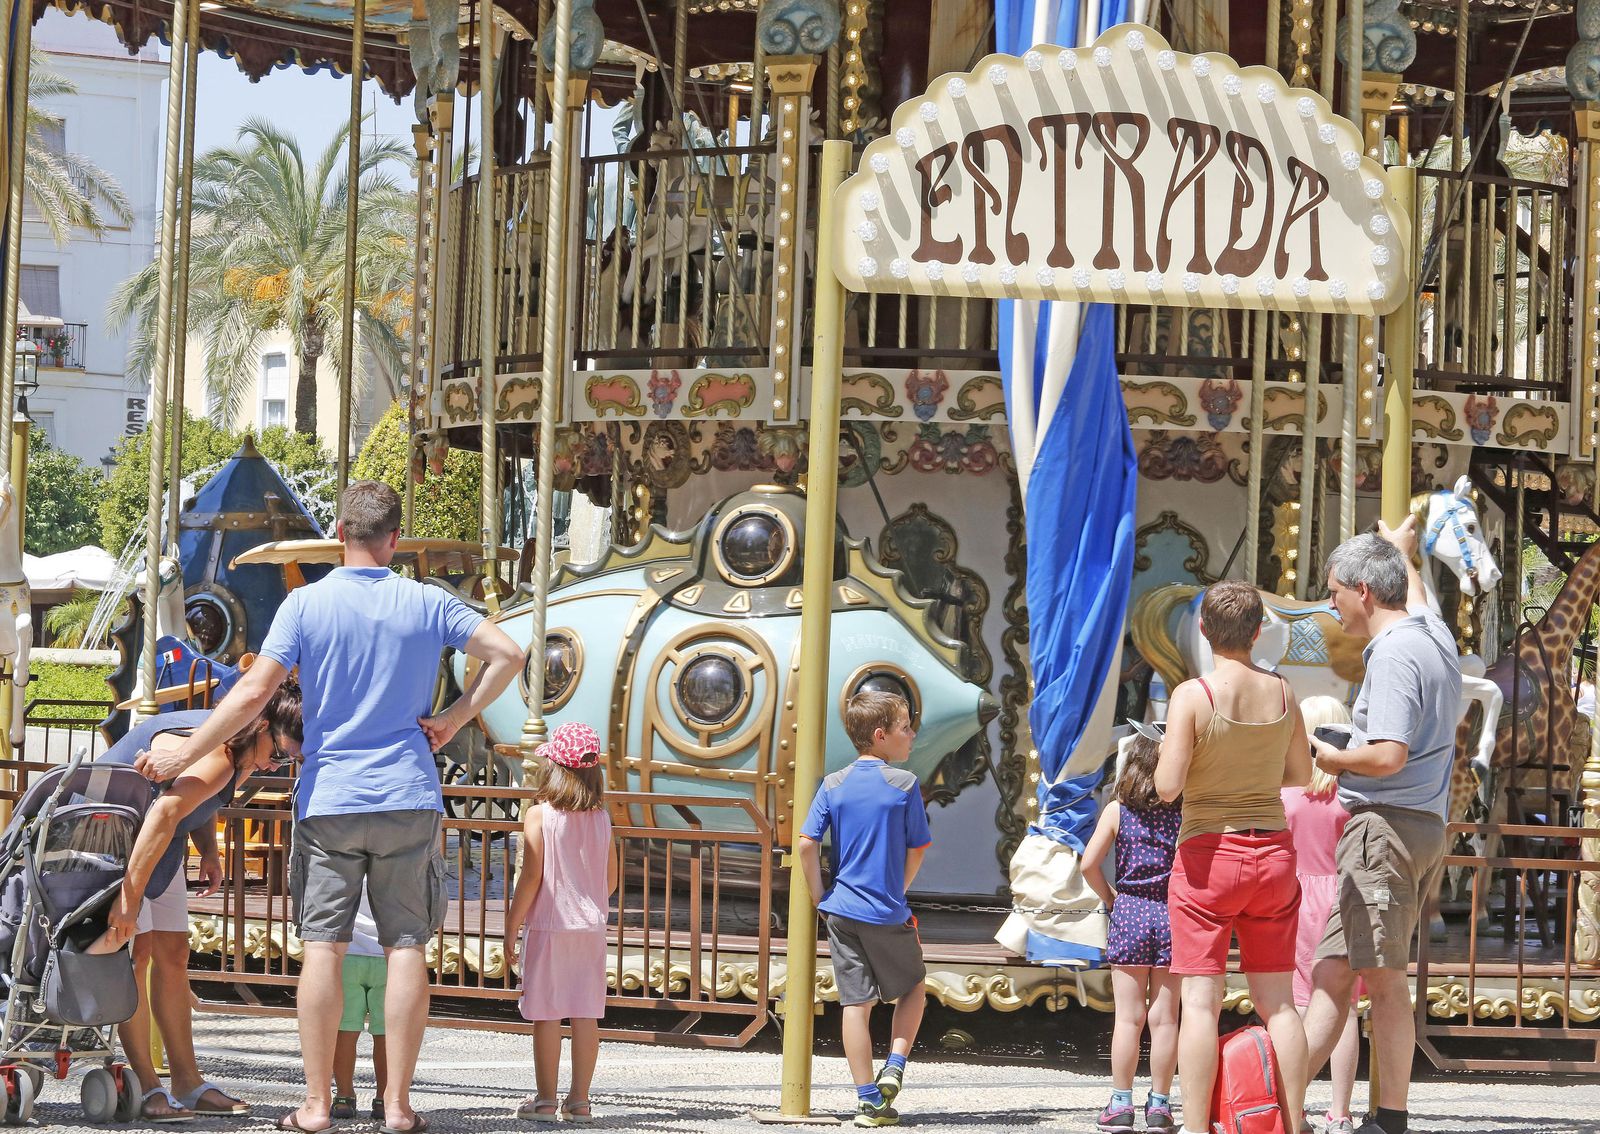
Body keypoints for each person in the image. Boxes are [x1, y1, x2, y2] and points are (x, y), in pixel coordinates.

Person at [135, 481, 524, 1134]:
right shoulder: (427, 601)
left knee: (324, 948)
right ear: (394, 540)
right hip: (407, 794)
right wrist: (456, 718)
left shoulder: (305, 606)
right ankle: (397, 1106)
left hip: (331, 798)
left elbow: (255, 691)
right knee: (405, 948)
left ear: (340, 532)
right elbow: (510, 653)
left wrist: (185, 751)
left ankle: (316, 1105)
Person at [1303, 518, 1463, 1134]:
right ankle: (1359, 1112)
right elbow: (1416, 597)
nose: (1331, 603)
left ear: (1364, 591)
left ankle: (1281, 1105)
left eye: (1334, 590)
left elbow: (1388, 753)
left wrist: (1326, 755)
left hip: (1383, 829)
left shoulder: (1395, 654)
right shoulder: (1432, 636)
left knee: (1370, 980)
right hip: (1418, 825)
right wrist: (1403, 550)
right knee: (1344, 973)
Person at [98, 683, 303, 1122]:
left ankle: (187, 1081)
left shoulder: (244, 749)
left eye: (289, 759)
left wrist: (208, 850)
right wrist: (128, 901)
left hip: (157, 842)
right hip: (115, 840)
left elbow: (199, 798)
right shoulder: (223, 753)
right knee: (136, 953)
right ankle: (146, 1085)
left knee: (173, 953)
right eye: (281, 752)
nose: (279, 763)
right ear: (262, 724)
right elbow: (164, 813)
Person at [1155, 580, 1313, 1134]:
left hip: (1208, 854)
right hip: (1271, 851)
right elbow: (1299, 775)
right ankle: (1294, 1125)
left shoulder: (1193, 696)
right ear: (1258, 631)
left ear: (1203, 629)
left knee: (1200, 1001)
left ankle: (1197, 1126)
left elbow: (1168, 786)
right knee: (1280, 1004)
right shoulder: (1284, 692)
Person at [797, 690, 930, 1130]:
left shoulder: (832, 784)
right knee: (913, 988)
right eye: (905, 727)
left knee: (856, 1004)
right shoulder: (905, 785)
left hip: (841, 910)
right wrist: (899, 888)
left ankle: (868, 1101)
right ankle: (893, 1065)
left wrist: (820, 897)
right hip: (886, 910)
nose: (911, 734)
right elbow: (918, 848)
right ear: (881, 735)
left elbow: (805, 843)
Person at [504, 721, 617, 1123]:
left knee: (548, 1014)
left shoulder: (539, 815)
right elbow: (612, 880)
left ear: (553, 768)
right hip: (591, 928)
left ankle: (546, 1099)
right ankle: (580, 1101)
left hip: (551, 926)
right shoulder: (602, 818)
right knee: (586, 1014)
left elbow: (531, 877)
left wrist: (512, 926)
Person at [1080, 725, 1182, 1133]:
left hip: (1130, 912)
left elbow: (1088, 864)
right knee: (1166, 1019)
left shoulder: (1117, 810)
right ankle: (1159, 1106)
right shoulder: (1185, 810)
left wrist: (1110, 897)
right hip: (1173, 913)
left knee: (1128, 1018)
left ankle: (1120, 1104)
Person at [1284, 696, 1362, 1134]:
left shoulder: (1286, 792)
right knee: (1343, 1006)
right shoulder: (1352, 793)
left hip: (1294, 898)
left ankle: (1292, 1105)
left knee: (1296, 1005)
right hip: (1342, 896)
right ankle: (1341, 1111)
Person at [332, 887, 386, 1122]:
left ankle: (344, 1096)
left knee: (345, 1030)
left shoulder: (345, 859)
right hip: (389, 953)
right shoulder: (396, 861)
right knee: (386, 1033)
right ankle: (385, 1098)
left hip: (348, 951)